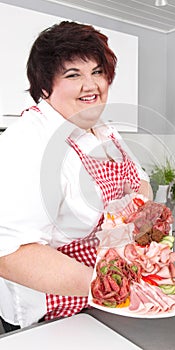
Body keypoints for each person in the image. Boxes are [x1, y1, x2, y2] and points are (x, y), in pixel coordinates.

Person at [0, 21, 153, 332]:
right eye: (73, 75)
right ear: (45, 87)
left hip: (107, 306)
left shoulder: (104, 129)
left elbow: (140, 182)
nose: (91, 85)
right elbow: (10, 253)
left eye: (97, 72)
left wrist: (136, 223)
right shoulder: (27, 141)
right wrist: (110, 285)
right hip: (53, 318)